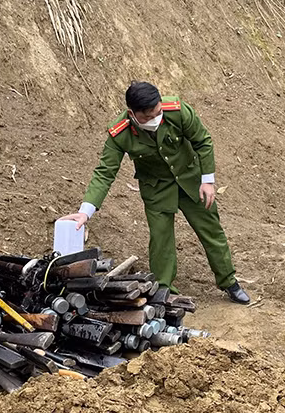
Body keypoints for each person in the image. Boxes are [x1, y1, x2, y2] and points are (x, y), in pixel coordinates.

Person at [59, 81, 250, 304]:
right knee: (160, 239)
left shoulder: (177, 111)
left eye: (158, 113)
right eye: (149, 117)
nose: (156, 120)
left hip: (191, 180)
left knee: (211, 230)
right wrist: (85, 211)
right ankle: (164, 288)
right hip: (156, 189)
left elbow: (203, 141)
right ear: (132, 113)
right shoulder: (120, 133)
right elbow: (104, 172)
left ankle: (229, 282)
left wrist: (207, 180)